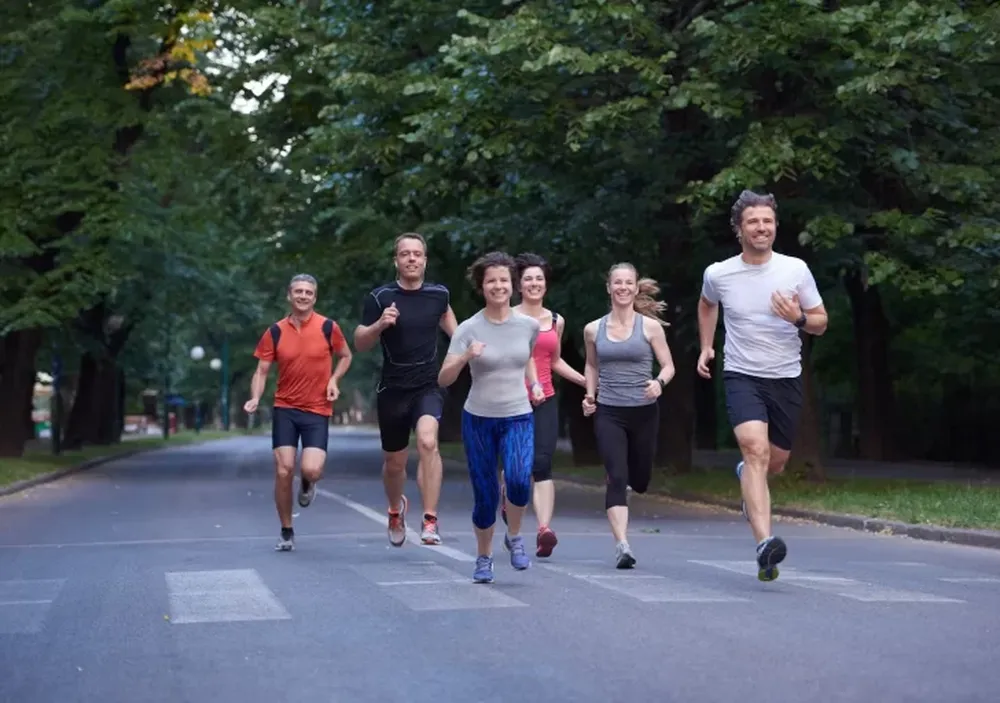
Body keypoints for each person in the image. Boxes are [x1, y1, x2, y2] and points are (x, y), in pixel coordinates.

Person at [696, 189, 828, 582]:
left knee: (776, 462)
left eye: (767, 221)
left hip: (785, 376)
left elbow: (821, 321)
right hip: (742, 374)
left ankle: (747, 481)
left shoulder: (795, 270)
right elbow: (706, 304)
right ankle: (764, 545)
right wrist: (706, 346)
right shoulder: (719, 274)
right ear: (739, 229)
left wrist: (798, 318)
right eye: (753, 221)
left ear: (775, 226)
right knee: (755, 450)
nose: (761, 227)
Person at [438, 251, 546, 584]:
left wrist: (535, 383)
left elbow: (525, 357)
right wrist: (465, 357)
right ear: (481, 286)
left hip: (518, 415)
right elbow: (444, 378)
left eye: (503, 280)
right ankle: (483, 557)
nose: (498, 286)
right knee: (485, 496)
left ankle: (514, 536)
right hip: (479, 419)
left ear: (513, 285)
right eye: (491, 281)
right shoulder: (469, 329)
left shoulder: (528, 325)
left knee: (518, 480)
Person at [353, 233, 458, 547]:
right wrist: (380, 325)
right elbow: (359, 342)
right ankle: (395, 509)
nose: (411, 259)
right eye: (405, 254)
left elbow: (459, 335)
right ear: (396, 261)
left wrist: (473, 355)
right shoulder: (380, 297)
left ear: (425, 260)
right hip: (393, 389)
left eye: (417, 254)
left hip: (428, 385)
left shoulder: (439, 295)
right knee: (394, 463)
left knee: (428, 442)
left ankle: (430, 519)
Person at [245, 273, 353, 552]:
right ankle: (286, 530)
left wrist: (334, 380)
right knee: (283, 470)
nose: (303, 296)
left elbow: (346, 356)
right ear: (289, 296)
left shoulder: (328, 327)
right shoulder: (275, 332)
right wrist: (255, 397)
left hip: (317, 409)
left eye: (308, 292)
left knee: (311, 469)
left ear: (314, 298)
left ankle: (307, 483)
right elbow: (261, 371)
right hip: (286, 409)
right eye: (298, 291)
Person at [582, 263, 675, 569]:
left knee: (641, 479)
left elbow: (668, 366)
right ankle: (622, 544)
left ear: (636, 288)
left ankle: (633, 485)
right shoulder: (593, 329)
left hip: (644, 411)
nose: (622, 287)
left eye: (628, 283)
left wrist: (658, 383)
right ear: (609, 288)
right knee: (616, 476)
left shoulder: (649, 328)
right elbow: (592, 365)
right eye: (617, 282)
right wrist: (590, 395)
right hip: (609, 411)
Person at [497, 252, 586, 558]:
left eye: (539, 279)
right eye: (528, 279)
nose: (534, 283)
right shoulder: (507, 317)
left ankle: (544, 530)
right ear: (519, 285)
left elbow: (555, 360)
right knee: (516, 468)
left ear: (546, 284)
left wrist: (586, 382)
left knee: (542, 463)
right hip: (511, 400)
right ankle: (508, 496)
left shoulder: (556, 321)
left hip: (545, 398)